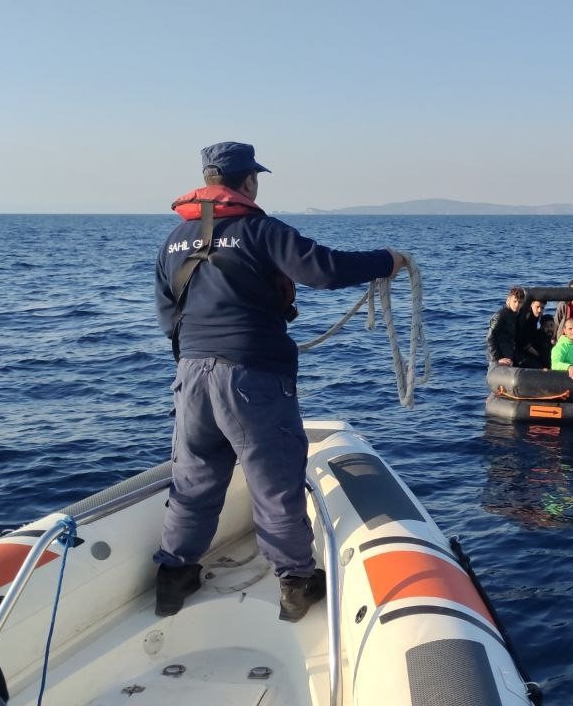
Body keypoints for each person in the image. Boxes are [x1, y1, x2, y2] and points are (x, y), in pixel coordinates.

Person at [154, 141, 405, 622]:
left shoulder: (173, 240)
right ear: (248, 181)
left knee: (194, 478)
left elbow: (168, 314)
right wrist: (386, 260)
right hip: (251, 377)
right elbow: (324, 270)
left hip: (191, 376)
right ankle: (295, 582)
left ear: (207, 181)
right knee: (274, 481)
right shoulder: (261, 231)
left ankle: (173, 576)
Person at [486, 286, 526, 366]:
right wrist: (497, 359)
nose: (517, 305)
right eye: (515, 301)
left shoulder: (515, 315)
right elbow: (490, 337)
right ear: (508, 300)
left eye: (520, 302)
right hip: (500, 358)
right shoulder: (500, 315)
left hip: (509, 354)